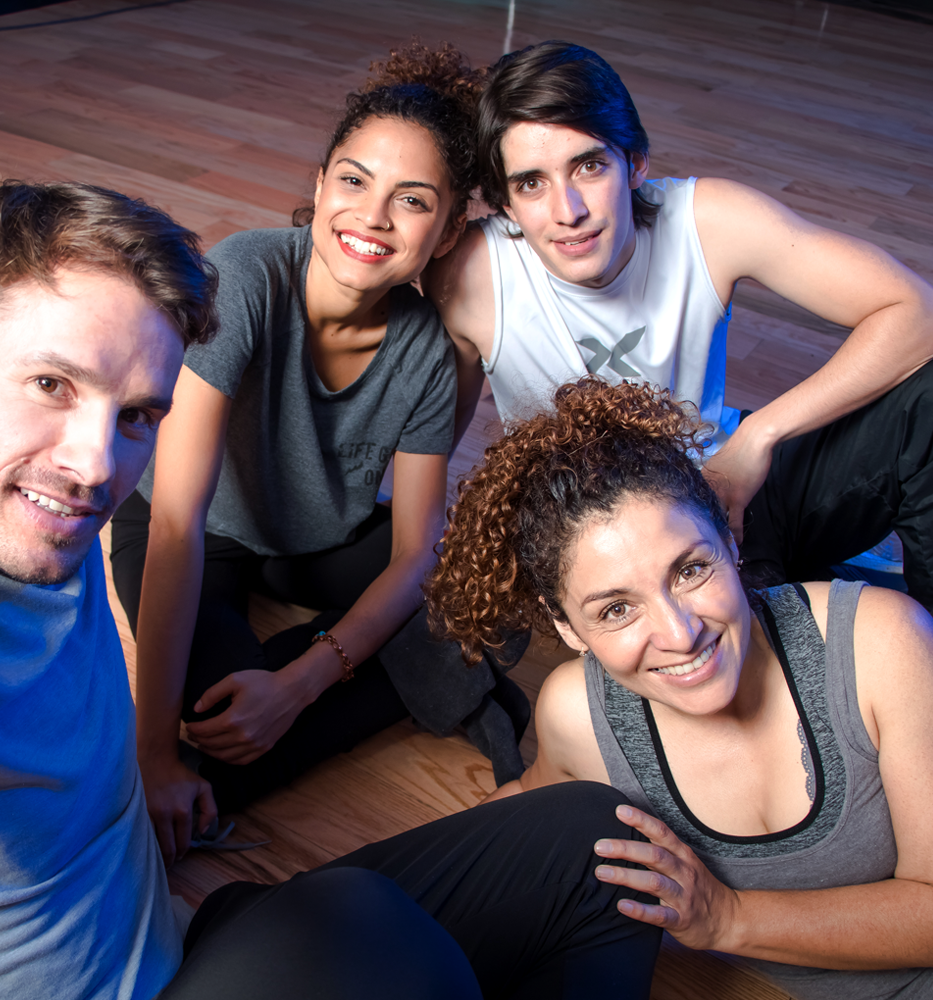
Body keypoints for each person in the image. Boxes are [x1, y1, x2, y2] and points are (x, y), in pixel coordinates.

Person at [0, 181, 664, 1000]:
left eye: (137, 414)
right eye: (52, 383)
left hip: (166, 932)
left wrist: (148, 773)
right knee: (357, 938)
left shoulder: (12, 509)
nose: (96, 465)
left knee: (610, 848)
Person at [110, 43, 527, 863]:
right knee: (216, 747)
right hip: (198, 531)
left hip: (320, 536)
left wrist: (299, 682)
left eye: (412, 201)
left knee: (495, 587)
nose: (372, 217)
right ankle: (428, 680)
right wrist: (153, 753)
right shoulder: (243, 277)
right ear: (319, 185)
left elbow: (415, 550)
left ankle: (403, 672)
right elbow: (176, 529)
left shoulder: (430, 353)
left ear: (446, 235)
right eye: (353, 180)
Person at [427, 375, 933, 1000]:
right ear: (567, 627)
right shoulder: (580, 714)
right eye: (615, 609)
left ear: (730, 539)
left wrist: (726, 918)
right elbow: (527, 807)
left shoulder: (882, 643)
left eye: (691, 569)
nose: (680, 632)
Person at [426, 40, 933, 609]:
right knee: (739, 669)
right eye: (531, 183)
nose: (567, 210)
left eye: (589, 165)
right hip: (624, 547)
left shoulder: (708, 221)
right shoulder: (471, 275)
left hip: (731, 475)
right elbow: (436, 426)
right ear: (504, 204)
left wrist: (757, 437)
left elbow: (918, 313)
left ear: (635, 161)